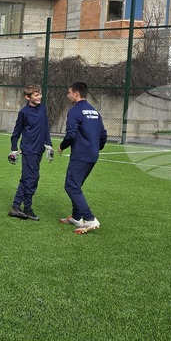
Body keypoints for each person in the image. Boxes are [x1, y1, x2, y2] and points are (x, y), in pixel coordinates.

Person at [58, 81, 107, 234]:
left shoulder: (75, 111)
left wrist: (62, 146)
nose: (67, 95)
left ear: (76, 94)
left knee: (71, 186)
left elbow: (71, 134)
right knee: (76, 185)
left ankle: (90, 219)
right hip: (92, 155)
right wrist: (95, 148)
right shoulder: (94, 112)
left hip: (80, 155)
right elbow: (103, 134)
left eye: (69, 92)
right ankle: (76, 217)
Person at [8, 84, 54, 221]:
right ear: (28, 97)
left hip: (39, 150)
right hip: (28, 151)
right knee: (31, 178)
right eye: (36, 94)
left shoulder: (43, 109)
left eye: (40, 93)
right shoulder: (24, 112)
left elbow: (46, 128)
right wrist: (13, 149)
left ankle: (23, 208)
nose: (40, 96)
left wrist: (49, 145)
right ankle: (19, 207)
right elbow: (16, 133)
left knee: (28, 178)